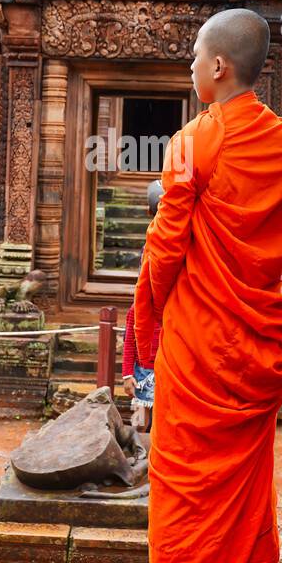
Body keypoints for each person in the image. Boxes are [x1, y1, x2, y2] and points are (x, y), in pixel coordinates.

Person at [134, 7, 282, 563]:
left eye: (193, 57)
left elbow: (169, 243)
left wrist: (146, 324)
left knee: (174, 483)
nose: (189, 67)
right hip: (259, 344)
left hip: (200, 346)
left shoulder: (192, 141)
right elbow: (277, 241)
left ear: (218, 67)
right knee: (251, 488)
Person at [121, 181, 164, 431]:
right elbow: (129, 340)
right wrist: (128, 374)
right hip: (144, 370)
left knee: (162, 424)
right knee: (140, 424)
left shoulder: (173, 310)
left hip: (167, 366)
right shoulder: (137, 311)